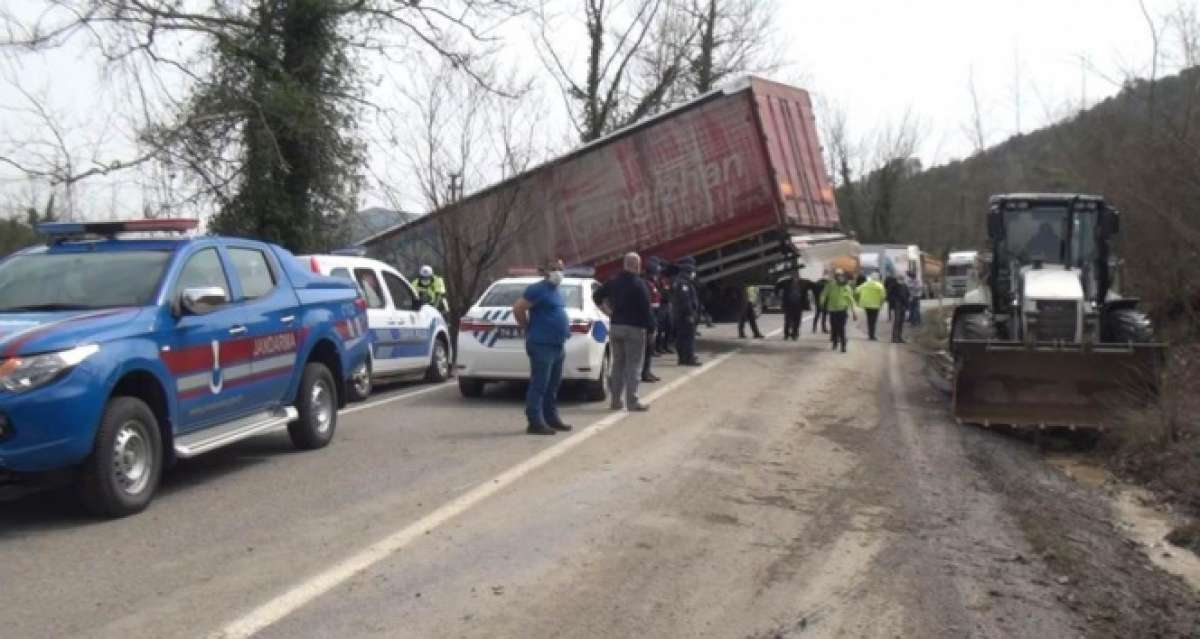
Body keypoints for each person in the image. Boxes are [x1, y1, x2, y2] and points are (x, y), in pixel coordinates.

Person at [512, 259, 573, 436]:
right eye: (554, 269)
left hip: (557, 345)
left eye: (561, 269)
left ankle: (551, 417)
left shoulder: (556, 291)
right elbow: (518, 309)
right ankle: (534, 421)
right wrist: (527, 327)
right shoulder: (537, 289)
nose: (558, 272)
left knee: (553, 384)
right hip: (541, 345)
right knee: (539, 384)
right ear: (545, 271)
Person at [593, 253, 654, 411]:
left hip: (616, 327)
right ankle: (632, 402)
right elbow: (646, 309)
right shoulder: (639, 284)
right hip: (634, 328)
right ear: (636, 265)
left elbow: (597, 296)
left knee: (618, 364)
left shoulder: (613, 282)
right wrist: (652, 329)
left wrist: (607, 311)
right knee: (633, 366)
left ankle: (615, 401)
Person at [670, 257, 702, 366]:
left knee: (682, 336)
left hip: (680, 314)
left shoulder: (681, 281)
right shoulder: (683, 283)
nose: (694, 274)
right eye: (692, 272)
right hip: (685, 315)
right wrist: (690, 314)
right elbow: (685, 300)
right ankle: (689, 358)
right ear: (688, 272)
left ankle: (683, 358)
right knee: (688, 337)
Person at [820, 269, 857, 353]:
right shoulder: (830, 285)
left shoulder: (846, 287)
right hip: (832, 310)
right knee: (834, 327)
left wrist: (854, 312)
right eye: (838, 275)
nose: (840, 277)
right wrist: (821, 303)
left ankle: (843, 345)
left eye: (841, 276)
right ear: (835, 276)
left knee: (841, 328)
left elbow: (851, 300)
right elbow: (824, 294)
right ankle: (835, 341)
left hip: (842, 310)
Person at [641, 260, 662, 383]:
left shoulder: (652, 284)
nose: (657, 275)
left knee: (649, 349)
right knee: (647, 348)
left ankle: (647, 371)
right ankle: (644, 373)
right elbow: (649, 305)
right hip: (649, 320)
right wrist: (651, 324)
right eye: (656, 273)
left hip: (653, 317)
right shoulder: (647, 284)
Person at [775, 272, 810, 340]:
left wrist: (806, 303)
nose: (796, 278)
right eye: (794, 277)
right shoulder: (786, 282)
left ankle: (794, 334)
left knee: (797, 320)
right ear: (792, 277)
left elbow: (807, 292)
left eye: (797, 277)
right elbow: (777, 286)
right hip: (789, 304)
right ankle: (786, 334)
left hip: (798, 305)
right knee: (788, 320)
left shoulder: (803, 283)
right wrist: (777, 294)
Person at [856, 273, 886, 341]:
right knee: (873, 321)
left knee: (869, 320)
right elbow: (883, 296)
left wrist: (859, 299)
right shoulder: (880, 286)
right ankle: (872, 335)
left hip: (866, 305)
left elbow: (857, 291)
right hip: (875, 305)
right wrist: (881, 304)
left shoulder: (865, 284)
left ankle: (870, 334)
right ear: (878, 278)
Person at [887, 274, 911, 343]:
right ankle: (894, 338)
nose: (901, 280)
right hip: (897, 305)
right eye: (900, 278)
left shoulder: (904, 286)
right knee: (897, 321)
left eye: (902, 278)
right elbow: (890, 296)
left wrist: (907, 306)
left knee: (901, 322)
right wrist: (892, 305)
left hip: (903, 305)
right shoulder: (894, 285)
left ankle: (899, 337)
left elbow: (907, 295)